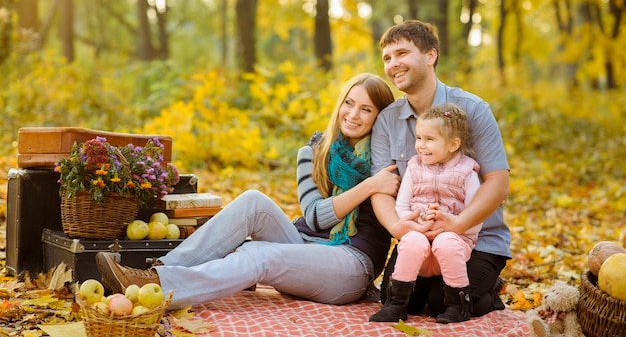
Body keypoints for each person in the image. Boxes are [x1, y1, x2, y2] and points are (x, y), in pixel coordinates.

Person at [95, 73, 426, 310]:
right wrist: (369, 186)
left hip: (350, 264)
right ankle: (158, 273)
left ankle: (161, 290)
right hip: (304, 243)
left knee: (257, 254)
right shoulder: (314, 152)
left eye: (365, 109)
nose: (352, 115)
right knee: (253, 200)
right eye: (349, 103)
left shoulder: (386, 161)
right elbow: (314, 216)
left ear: (379, 117)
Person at [370, 20, 511, 319]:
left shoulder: (473, 109)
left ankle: (489, 288)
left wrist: (457, 226)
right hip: (418, 237)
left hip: (476, 239)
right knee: (395, 300)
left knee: (440, 302)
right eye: (387, 58)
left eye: (402, 53)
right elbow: (381, 188)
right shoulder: (387, 120)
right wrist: (398, 227)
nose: (393, 64)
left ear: (430, 56)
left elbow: (498, 183)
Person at [369, 103, 482, 323]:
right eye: (419, 138)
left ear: (453, 144)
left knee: (447, 242)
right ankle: (396, 305)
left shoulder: (467, 173)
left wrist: (453, 223)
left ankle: (457, 307)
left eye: (429, 139)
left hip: (453, 244)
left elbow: (475, 217)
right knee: (412, 241)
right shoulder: (414, 168)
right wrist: (413, 221)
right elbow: (401, 206)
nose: (421, 145)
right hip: (420, 242)